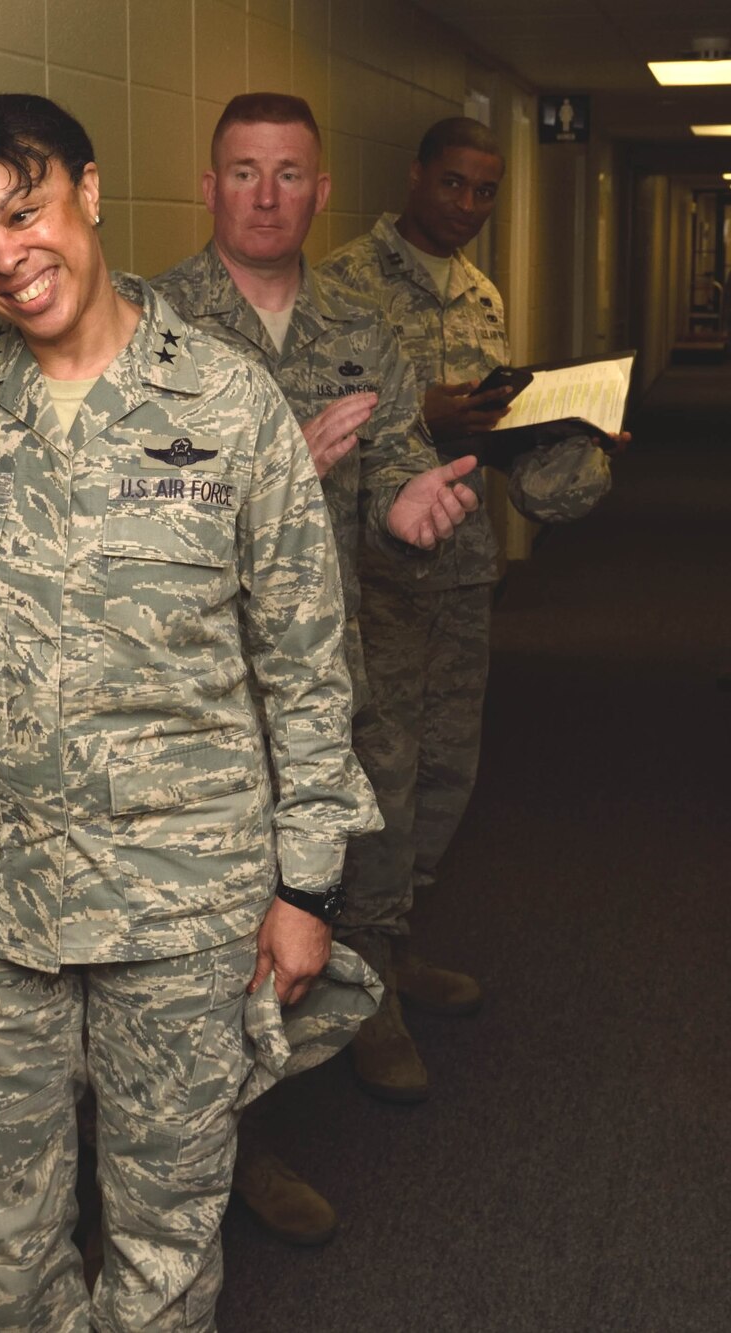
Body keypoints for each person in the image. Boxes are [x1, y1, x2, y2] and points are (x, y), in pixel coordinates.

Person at [0, 93, 378, 1332]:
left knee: (165, 1224)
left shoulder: (227, 402)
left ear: (87, 194)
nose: (2, 258)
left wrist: (304, 887)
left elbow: (306, 658)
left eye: (22, 212)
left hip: (182, 900)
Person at [153, 92, 483, 1242]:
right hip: (198, 680)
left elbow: (395, 454)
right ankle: (234, 1145)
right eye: (241, 171)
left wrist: (410, 503)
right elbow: (134, 511)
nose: (263, 195)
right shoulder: (156, 327)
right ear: (207, 186)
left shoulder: (356, 319)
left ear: (320, 189)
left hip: (335, 656)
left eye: (287, 173)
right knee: (223, 907)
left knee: (352, 841)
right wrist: (273, 475)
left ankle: (365, 1004)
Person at [319, 118, 612, 1085]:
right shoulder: (344, 287)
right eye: (453, 186)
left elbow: (488, 433)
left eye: (486, 192)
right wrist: (424, 412)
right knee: (382, 782)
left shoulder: (480, 291)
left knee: (449, 768)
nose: (470, 208)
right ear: (414, 177)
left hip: (463, 565)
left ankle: (397, 945)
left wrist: (554, 429)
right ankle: (363, 995)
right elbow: (313, 442)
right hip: (379, 575)